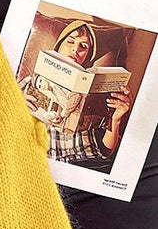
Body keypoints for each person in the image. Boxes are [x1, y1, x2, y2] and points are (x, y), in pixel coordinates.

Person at [18, 20, 131, 170]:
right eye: (70, 41)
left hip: (73, 166)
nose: (75, 49)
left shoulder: (95, 94)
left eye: (83, 46)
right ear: (58, 46)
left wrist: (116, 119)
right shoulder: (29, 81)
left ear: (87, 56)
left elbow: (105, 150)